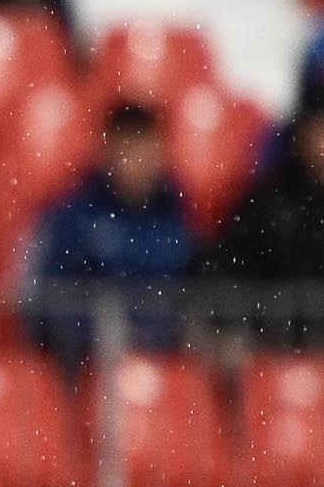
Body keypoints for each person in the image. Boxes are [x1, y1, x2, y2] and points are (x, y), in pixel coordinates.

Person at [18, 102, 200, 361]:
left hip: (166, 366)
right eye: (128, 148)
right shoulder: (72, 217)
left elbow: (195, 292)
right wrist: (101, 334)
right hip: (86, 369)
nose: (137, 161)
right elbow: (44, 302)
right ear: (107, 150)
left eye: (145, 147)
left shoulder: (178, 214)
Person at [192, 105, 324, 346]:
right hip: (268, 346)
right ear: (302, 135)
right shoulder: (268, 202)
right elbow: (223, 266)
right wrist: (232, 326)